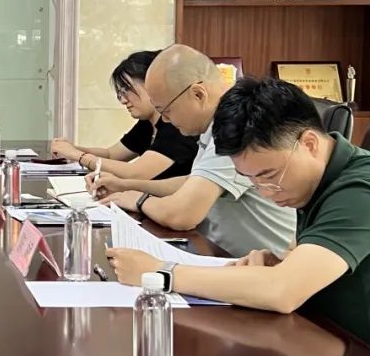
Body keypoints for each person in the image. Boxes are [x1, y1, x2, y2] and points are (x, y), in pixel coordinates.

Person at [107, 77, 370, 355]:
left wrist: (161, 273)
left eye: (269, 175)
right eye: (251, 179)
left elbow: (283, 291)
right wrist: (283, 263)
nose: (264, 192)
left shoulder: (362, 191)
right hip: (323, 338)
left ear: (310, 144)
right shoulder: (315, 179)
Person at [91, 44, 294, 257]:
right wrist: (126, 186)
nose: (165, 120)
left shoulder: (236, 127)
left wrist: (138, 200)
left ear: (198, 94)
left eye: (166, 110)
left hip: (262, 265)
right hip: (222, 254)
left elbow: (182, 215)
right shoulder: (216, 124)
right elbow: (193, 182)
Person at [50, 50, 198, 180]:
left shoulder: (177, 125)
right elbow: (111, 155)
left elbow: (136, 173)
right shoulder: (148, 123)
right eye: (120, 94)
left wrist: (78, 156)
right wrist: (71, 149)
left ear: (152, 83)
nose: (123, 100)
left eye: (126, 90)